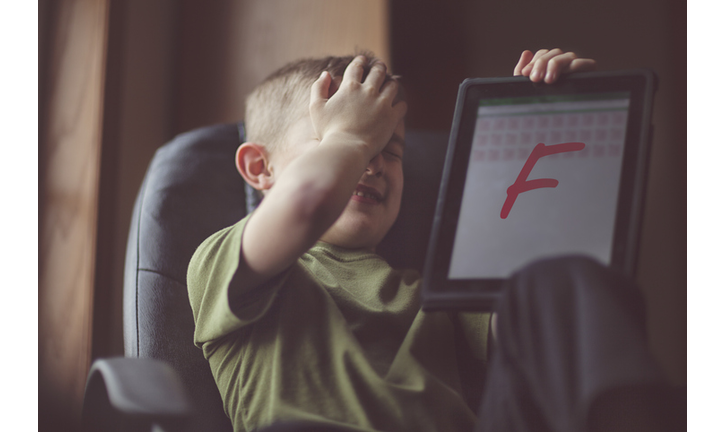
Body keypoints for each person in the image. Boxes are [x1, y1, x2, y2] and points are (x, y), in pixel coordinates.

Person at [187, 49, 681, 432]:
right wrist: (351, 138)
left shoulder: (439, 292)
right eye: (336, 137)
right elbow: (305, 203)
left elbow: (549, 323)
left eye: (389, 149)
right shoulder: (224, 260)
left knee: (557, 278)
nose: (373, 161)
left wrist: (544, 120)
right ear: (260, 167)